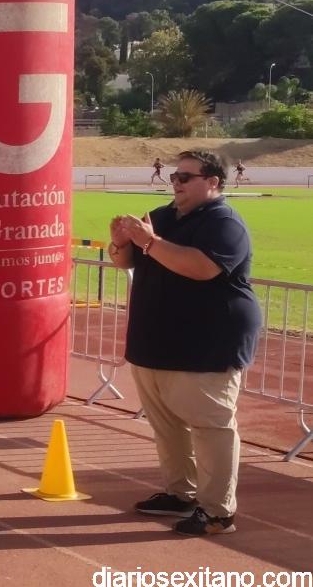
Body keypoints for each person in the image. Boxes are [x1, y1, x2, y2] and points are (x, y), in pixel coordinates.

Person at [108, 150, 260, 536]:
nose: (175, 183)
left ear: (213, 182)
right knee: (167, 426)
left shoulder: (224, 223)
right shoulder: (160, 217)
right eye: (175, 176)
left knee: (211, 428)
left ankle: (218, 512)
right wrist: (121, 244)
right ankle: (181, 493)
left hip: (206, 342)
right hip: (155, 341)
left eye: (185, 177)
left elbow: (202, 268)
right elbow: (126, 262)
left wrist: (149, 242)